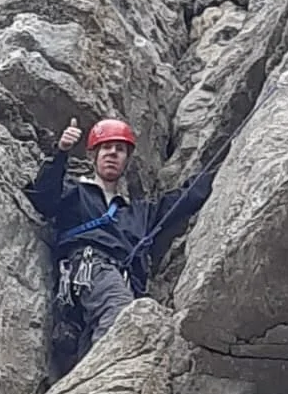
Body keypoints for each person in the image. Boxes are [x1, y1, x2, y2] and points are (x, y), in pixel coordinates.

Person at [26, 116, 213, 366]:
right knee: (121, 313)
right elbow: (43, 199)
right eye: (106, 147)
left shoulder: (138, 213)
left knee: (94, 347)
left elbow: (183, 199)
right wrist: (61, 153)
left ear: (127, 160)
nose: (113, 154)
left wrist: (226, 166)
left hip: (117, 281)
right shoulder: (75, 192)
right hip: (90, 269)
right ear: (93, 155)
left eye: (120, 150)